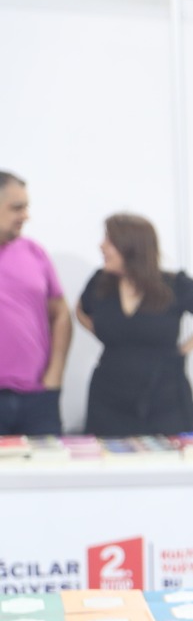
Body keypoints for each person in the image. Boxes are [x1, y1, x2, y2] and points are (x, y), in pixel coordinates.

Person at [76, 213, 193, 436]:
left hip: (163, 394)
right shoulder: (100, 282)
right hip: (109, 394)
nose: (102, 246)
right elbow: (80, 310)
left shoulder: (175, 284)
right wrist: (100, 331)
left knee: (167, 458)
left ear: (130, 246)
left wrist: (184, 349)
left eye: (109, 241)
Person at [0, 172, 70, 436]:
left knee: (50, 474)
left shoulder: (34, 252)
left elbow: (61, 313)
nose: (26, 215)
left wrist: (55, 376)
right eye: (17, 208)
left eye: (26, 207)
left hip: (38, 400)